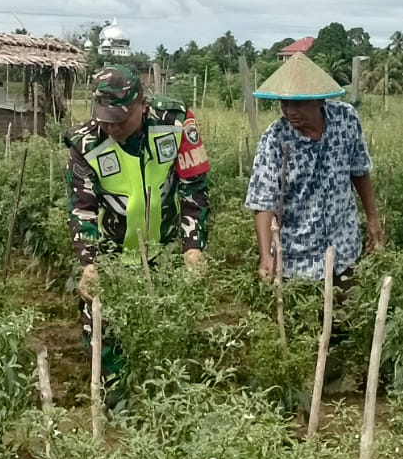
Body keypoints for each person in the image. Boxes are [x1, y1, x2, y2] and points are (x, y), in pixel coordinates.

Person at [65, 65, 209, 339]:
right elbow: (82, 209)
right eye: (105, 120)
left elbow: (194, 188)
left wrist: (192, 247)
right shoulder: (85, 144)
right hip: (111, 257)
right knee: (105, 335)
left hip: (167, 252)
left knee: (169, 333)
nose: (113, 127)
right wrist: (89, 263)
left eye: (120, 119)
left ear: (142, 105)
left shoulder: (175, 123)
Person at [243, 53, 383, 284]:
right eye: (284, 103)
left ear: (319, 100)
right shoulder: (275, 138)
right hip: (297, 260)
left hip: (344, 247)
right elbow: (263, 200)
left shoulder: (345, 120)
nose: (290, 111)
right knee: (304, 307)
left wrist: (372, 217)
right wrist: (265, 254)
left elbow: (359, 169)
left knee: (349, 302)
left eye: (298, 103)